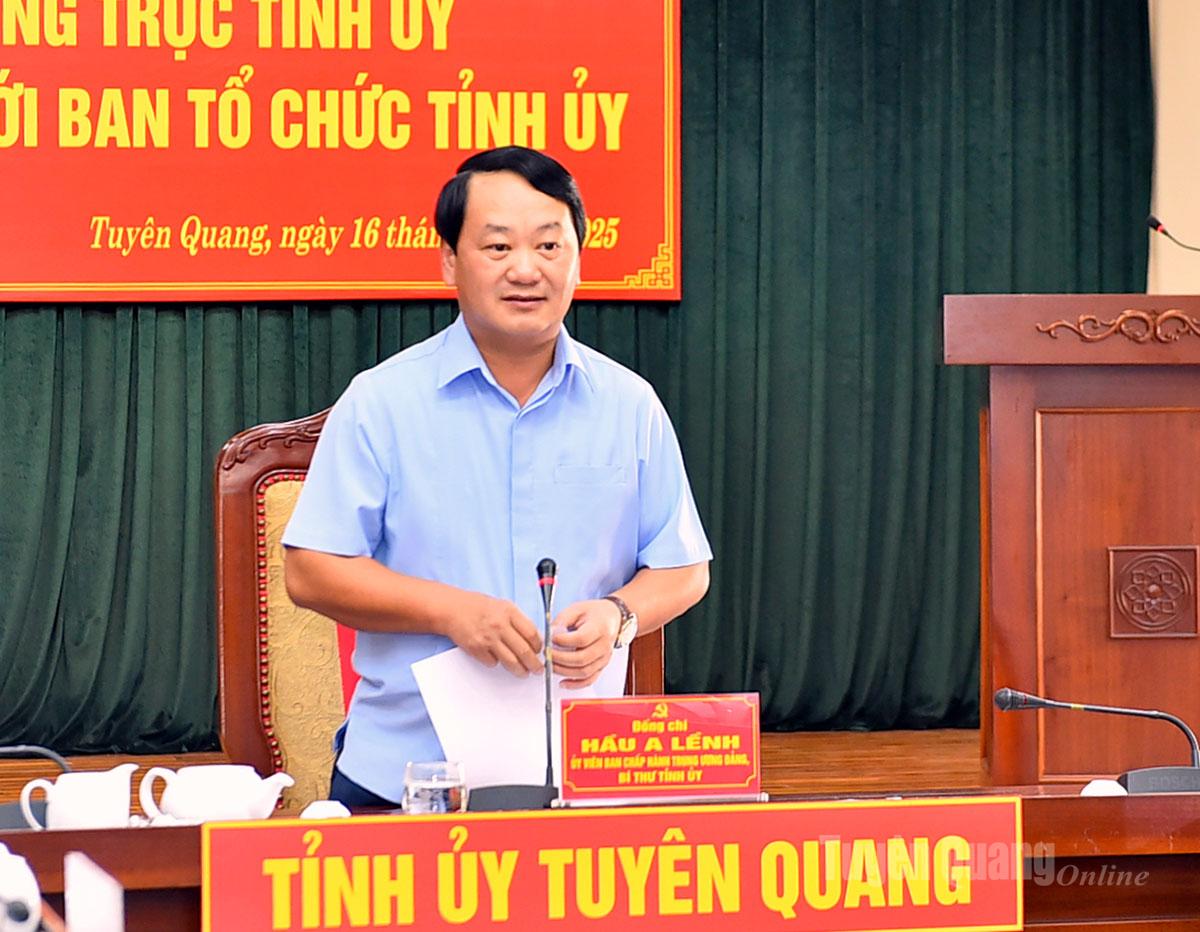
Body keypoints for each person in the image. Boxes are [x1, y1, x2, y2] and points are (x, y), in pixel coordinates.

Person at [283, 146, 711, 806]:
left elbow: (683, 568)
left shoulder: (629, 405)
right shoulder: (382, 402)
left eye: (549, 245)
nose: (526, 269)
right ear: (450, 260)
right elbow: (311, 570)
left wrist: (619, 615)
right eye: (498, 246)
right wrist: (453, 613)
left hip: (583, 775)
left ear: (577, 258)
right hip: (409, 776)